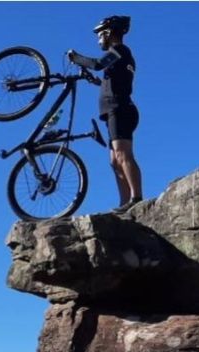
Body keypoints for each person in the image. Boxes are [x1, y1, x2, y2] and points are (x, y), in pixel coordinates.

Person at [69, 15, 142, 210]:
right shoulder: (122, 55)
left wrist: (77, 58)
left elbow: (97, 64)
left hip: (119, 109)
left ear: (109, 33)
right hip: (116, 109)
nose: (98, 39)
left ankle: (136, 199)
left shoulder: (118, 50)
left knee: (122, 154)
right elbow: (116, 82)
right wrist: (96, 82)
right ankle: (125, 202)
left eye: (100, 34)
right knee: (114, 160)